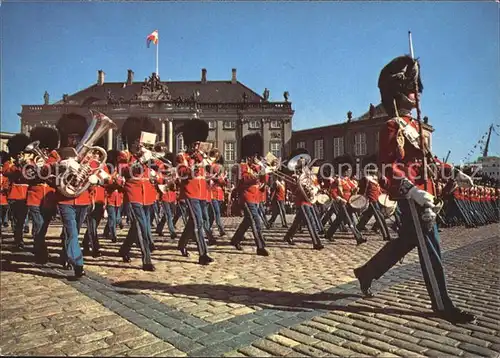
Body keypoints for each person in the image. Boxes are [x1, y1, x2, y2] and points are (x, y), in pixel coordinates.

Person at [353, 55, 476, 323]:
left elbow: (429, 161)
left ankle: (367, 272)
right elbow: (388, 165)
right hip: (414, 196)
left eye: (416, 88)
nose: (416, 93)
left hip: (425, 192)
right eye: (411, 89)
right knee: (431, 248)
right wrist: (411, 189)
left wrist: (453, 172)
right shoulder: (392, 126)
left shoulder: (415, 126)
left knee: (407, 242)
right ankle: (442, 305)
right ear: (398, 94)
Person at [118, 116, 163, 271]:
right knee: (142, 226)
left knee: (138, 226)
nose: (140, 144)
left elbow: (161, 170)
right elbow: (125, 171)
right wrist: (142, 160)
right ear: (131, 141)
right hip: (133, 193)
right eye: (137, 140)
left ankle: (124, 249)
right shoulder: (125, 155)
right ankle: (146, 260)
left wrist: (157, 164)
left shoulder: (148, 155)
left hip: (148, 195)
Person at [176, 119, 214, 265]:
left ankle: (182, 244)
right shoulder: (182, 156)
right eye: (195, 143)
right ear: (190, 143)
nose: (197, 146)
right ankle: (203, 254)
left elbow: (210, 172)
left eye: (199, 143)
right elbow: (182, 172)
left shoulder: (202, 157)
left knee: (195, 221)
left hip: (202, 192)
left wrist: (208, 164)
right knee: (198, 222)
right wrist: (194, 165)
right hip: (190, 192)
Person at [230, 133, 269, 256]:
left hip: (255, 197)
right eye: (254, 155)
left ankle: (236, 239)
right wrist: (257, 175)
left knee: (248, 221)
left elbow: (264, 180)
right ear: (249, 156)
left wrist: (264, 169)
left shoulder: (257, 167)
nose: (256, 157)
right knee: (256, 220)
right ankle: (260, 246)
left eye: (257, 155)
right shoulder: (242, 166)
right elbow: (244, 180)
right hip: (246, 197)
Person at [25, 126, 59, 263]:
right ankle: (41, 253)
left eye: (45, 148)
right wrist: (32, 167)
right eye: (42, 148)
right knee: (38, 225)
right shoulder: (32, 159)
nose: (43, 150)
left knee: (43, 227)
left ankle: (38, 247)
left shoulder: (55, 157)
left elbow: (58, 173)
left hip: (49, 197)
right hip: (35, 196)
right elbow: (26, 176)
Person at [3, 134, 32, 250]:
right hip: (14, 193)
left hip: (26, 193)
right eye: (18, 153)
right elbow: (6, 172)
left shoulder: (29, 161)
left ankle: (20, 238)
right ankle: (18, 239)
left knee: (23, 218)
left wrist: (26, 165)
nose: (20, 154)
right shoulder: (10, 162)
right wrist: (17, 166)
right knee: (16, 219)